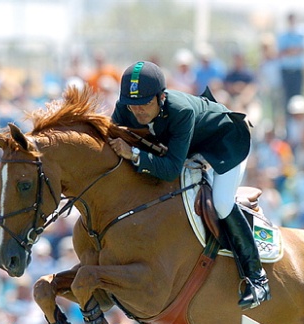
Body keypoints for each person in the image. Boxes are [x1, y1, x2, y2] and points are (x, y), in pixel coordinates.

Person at [108, 61, 269, 310]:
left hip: (224, 144)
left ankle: (258, 279)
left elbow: (171, 168)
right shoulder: (125, 107)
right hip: (189, 149)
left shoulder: (180, 110)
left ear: (161, 97)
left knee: (222, 203)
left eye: (144, 105)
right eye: (132, 105)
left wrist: (136, 156)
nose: (137, 112)